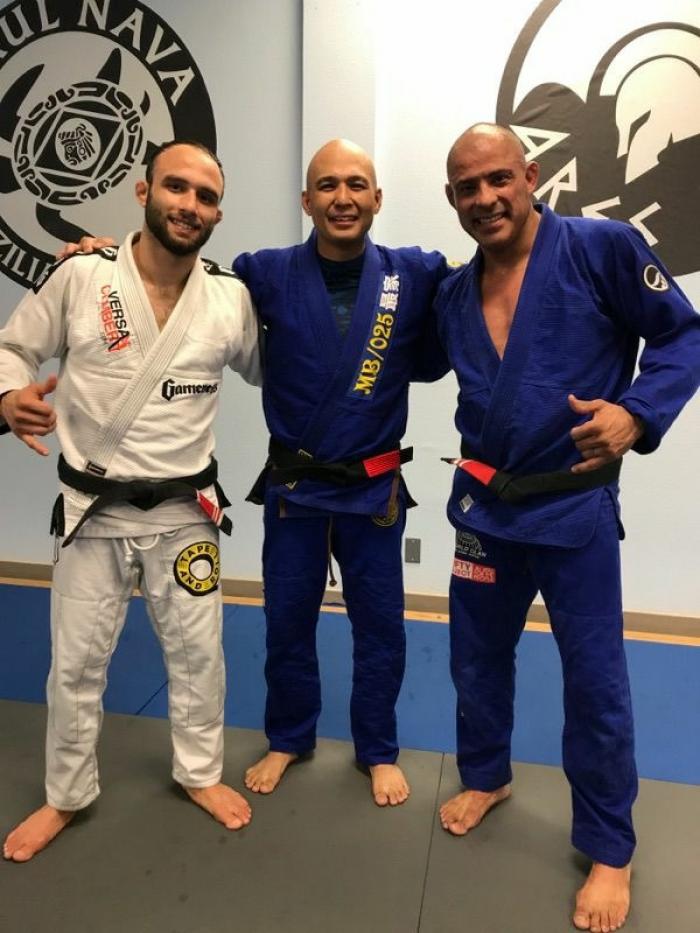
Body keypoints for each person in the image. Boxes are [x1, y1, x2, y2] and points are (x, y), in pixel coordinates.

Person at [49, 139, 450, 807]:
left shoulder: (415, 273)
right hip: (295, 485)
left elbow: (481, 287)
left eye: (356, 184)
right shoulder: (262, 272)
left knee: (381, 627)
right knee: (286, 621)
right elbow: (181, 279)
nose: (342, 197)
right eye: (327, 185)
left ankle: (378, 749)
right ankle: (289, 736)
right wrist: (101, 259)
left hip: (374, 489)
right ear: (306, 200)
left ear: (378, 198)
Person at [435, 123, 700, 932]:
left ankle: (611, 846)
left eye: (498, 179)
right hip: (485, 509)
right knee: (475, 658)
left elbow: (684, 334)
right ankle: (487, 773)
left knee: (594, 679)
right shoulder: (452, 293)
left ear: (532, 174)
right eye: (468, 188)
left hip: (573, 507)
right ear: (452, 199)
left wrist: (636, 413)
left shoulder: (601, 248)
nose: (485, 198)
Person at [0, 140, 261, 862]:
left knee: (200, 655)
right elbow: (14, 348)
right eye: (176, 187)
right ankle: (65, 792)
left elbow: (280, 370)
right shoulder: (82, 276)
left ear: (217, 214)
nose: (190, 205)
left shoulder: (229, 298)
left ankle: (200, 772)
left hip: (187, 513)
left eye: (206, 196)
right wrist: (8, 396)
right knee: (75, 664)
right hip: (93, 511)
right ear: (144, 191)